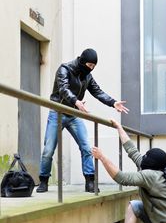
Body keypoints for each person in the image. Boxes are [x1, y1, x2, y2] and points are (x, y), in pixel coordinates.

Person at [37, 48, 129, 193]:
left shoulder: (88, 77)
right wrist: (76, 101)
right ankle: (43, 181)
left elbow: (98, 92)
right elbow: (63, 89)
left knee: (86, 147)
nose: (90, 69)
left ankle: (90, 182)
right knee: (48, 150)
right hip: (58, 112)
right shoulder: (64, 69)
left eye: (93, 66)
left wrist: (113, 102)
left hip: (73, 114)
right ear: (82, 61)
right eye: (89, 65)